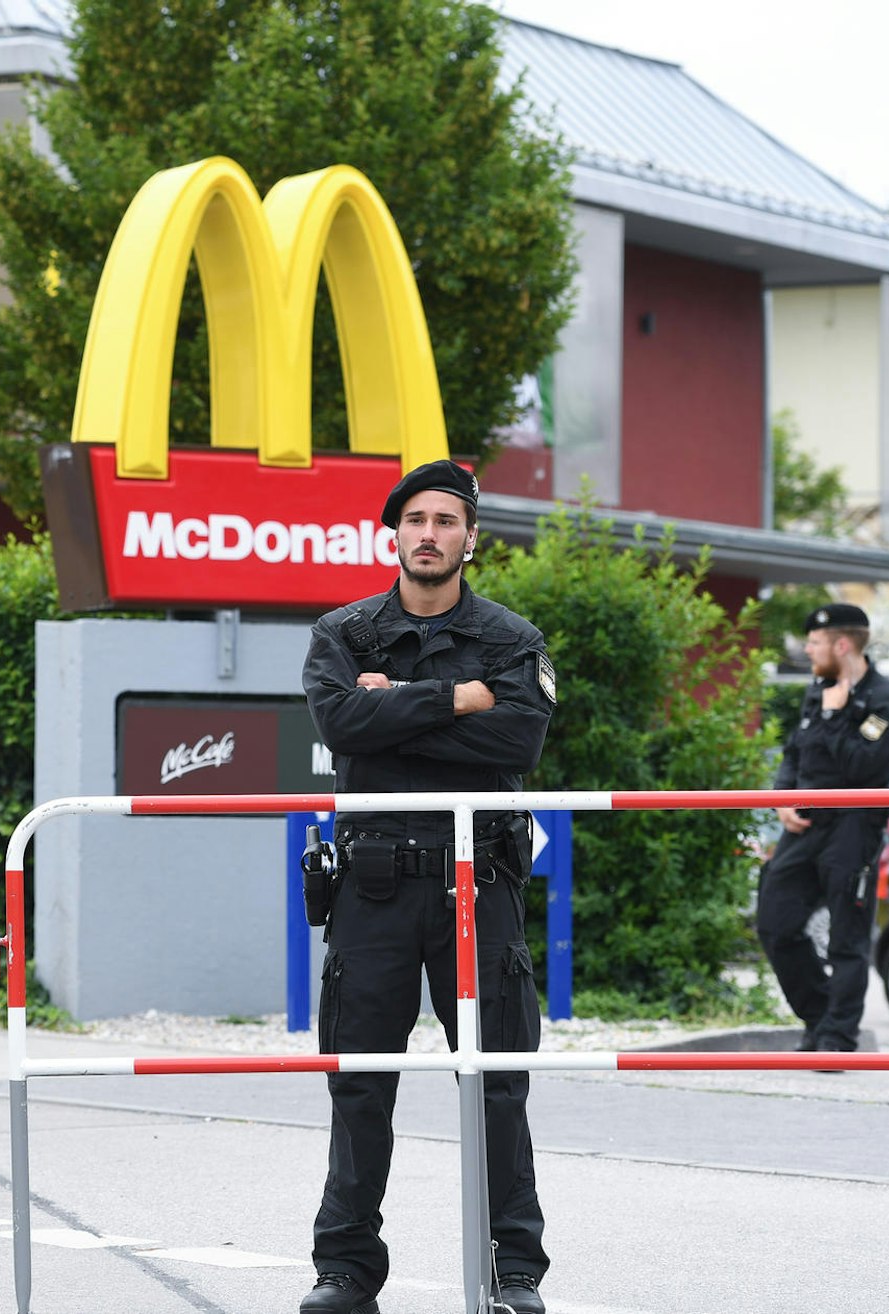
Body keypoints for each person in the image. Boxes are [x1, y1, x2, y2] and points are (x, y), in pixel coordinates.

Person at [297, 459, 555, 1314]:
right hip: (371, 887)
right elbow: (343, 727)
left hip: (478, 883)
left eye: (447, 521)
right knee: (360, 1081)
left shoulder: (513, 641)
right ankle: (344, 1271)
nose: (430, 535)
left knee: (495, 1080)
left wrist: (400, 705)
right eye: (416, 521)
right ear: (394, 534)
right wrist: (459, 700)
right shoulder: (344, 633)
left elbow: (514, 747)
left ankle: (514, 1272)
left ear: (471, 538)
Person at [758, 603, 889, 1057]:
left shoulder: (887, 702)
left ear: (841, 644)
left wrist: (834, 717)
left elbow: (866, 767)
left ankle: (836, 1038)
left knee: (847, 939)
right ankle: (822, 1016)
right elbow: (794, 751)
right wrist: (782, 796)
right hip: (804, 827)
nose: (808, 650)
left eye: (815, 642)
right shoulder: (819, 690)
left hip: (852, 828)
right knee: (775, 923)